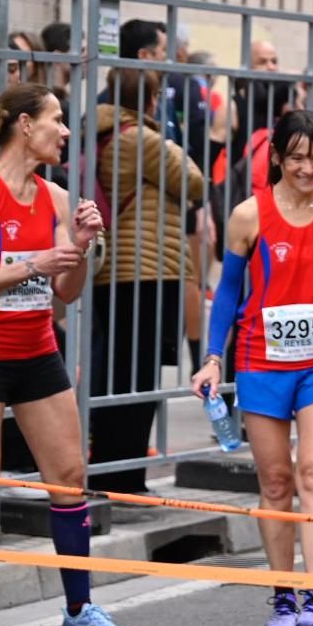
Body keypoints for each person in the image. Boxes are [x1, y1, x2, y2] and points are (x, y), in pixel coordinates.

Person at [0, 83, 131, 626]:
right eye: (57, 120)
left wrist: (80, 247)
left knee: (70, 478)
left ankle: (79, 612)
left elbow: (64, 292)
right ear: (25, 125)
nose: (68, 132)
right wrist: (32, 263)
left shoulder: (54, 197)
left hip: (38, 353)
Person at [192, 111, 313, 626]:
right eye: (298, 156)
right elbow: (227, 294)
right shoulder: (247, 216)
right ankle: (284, 595)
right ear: (277, 157)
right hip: (262, 362)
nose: (308, 167)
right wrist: (214, 356)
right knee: (277, 481)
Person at [89, 67, 206, 493]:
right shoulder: (141, 139)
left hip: (118, 272)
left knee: (120, 375)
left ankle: (113, 470)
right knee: (137, 379)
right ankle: (125, 478)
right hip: (148, 271)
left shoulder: (103, 133)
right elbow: (195, 182)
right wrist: (174, 141)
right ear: (152, 98)